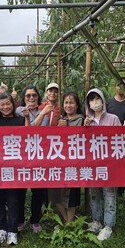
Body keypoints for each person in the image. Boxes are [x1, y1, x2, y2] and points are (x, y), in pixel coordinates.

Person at [84, 89, 121, 241]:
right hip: (92, 164)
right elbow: (80, 144)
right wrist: (85, 128)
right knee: (94, 193)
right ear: (88, 104)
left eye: (97, 98)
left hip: (109, 164)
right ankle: (96, 221)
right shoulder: (87, 120)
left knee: (109, 193)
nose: (95, 102)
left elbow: (121, 139)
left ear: (103, 101)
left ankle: (109, 225)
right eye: (91, 99)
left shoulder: (113, 119)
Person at [0, 93, 26, 245]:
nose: (5, 107)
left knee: (13, 198)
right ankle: (1, 229)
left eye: (8, 103)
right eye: (2, 104)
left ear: (13, 104)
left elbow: (28, 137)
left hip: (14, 165)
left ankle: (12, 230)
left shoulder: (20, 120)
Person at [15, 86, 49, 233]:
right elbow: (28, 131)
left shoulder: (44, 113)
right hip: (22, 156)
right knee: (21, 191)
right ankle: (20, 219)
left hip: (39, 156)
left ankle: (35, 220)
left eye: (34, 95)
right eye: (28, 95)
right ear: (24, 97)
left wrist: (42, 115)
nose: (31, 98)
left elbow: (42, 132)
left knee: (38, 190)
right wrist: (40, 116)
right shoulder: (19, 111)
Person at [51, 92, 84, 223]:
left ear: (77, 105)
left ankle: (69, 222)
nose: (68, 105)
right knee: (54, 192)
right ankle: (66, 220)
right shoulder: (61, 121)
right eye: (66, 103)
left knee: (72, 193)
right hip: (60, 162)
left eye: (71, 102)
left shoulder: (82, 120)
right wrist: (60, 129)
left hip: (75, 162)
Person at [106, 77, 125, 197]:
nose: (119, 88)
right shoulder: (110, 101)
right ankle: (111, 186)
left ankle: (120, 190)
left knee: (123, 164)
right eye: (117, 85)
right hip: (109, 138)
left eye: (122, 86)